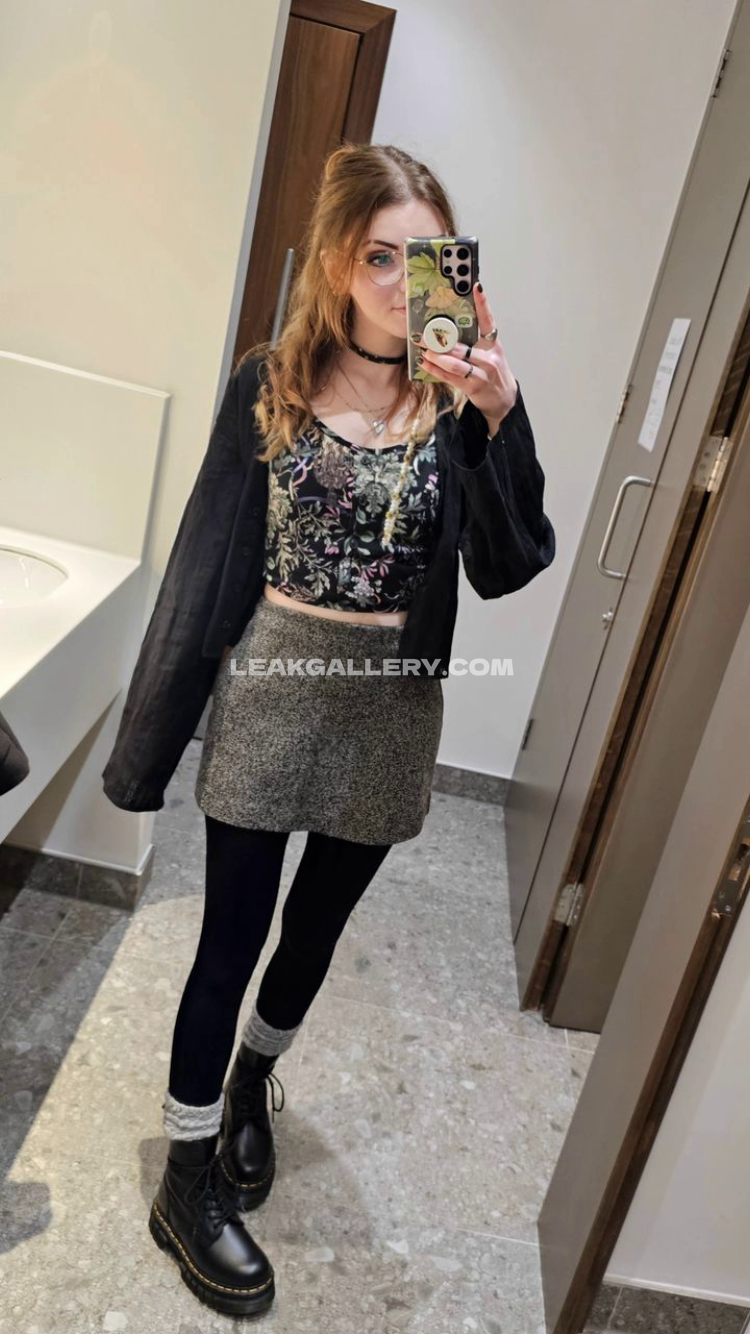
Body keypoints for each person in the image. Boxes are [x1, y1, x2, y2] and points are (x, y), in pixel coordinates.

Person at [123, 142, 555, 1318]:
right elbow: (204, 563)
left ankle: (252, 1081)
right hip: (274, 690)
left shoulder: (460, 403)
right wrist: (151, 738)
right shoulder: (268, 383)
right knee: (228, 940)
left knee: (313, 933)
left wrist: (500, 417)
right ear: (334, 263)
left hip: (392, 706)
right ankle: (185, 1176)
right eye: (378, 257)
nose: (402, 283)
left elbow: (512, 561)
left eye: (426, 258)